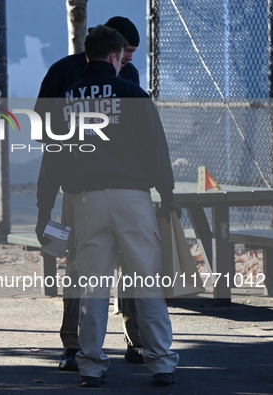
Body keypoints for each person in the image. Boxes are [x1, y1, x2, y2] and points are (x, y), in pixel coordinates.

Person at [36, 25, 181, 387]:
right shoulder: (134, 93)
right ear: (116, 57)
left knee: (93, 286)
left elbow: (51, 160)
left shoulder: (67, 98)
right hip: (133, 199)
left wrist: (43, 211)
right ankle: (161, 362)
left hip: (85, 202)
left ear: (88, 56)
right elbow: (156, 151)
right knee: (146, 281)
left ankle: (91, 366)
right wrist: (168, 196)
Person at [34, 16, 145, 371]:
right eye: (126, 52)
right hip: (89, 187)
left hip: (86, 186)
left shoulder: (125, 75)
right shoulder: (66, 72)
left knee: (86, 265)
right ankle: (85, 343)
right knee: (99, 264)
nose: (129, 59)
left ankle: (114, 341)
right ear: (112, 50)